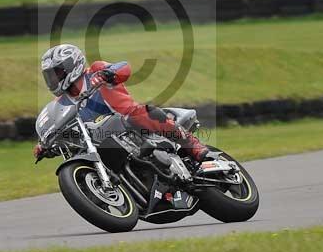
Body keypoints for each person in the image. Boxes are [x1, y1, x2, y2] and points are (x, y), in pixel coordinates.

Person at [34, 43, 209, 162]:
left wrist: (106, 74)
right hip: (101, 139)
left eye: (56, 73)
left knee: (140, 114)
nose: (53, 79)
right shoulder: (61, 103)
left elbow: (123, 68)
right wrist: (47, 144)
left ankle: (193, 145)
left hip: (127, 123)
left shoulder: (94, 71)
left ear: (72, 65)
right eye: (49, 75)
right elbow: (63, 128)